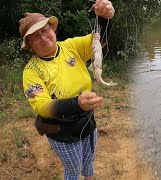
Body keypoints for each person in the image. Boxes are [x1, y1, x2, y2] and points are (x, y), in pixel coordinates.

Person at [20, 0, 114, 179]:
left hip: (88, 122)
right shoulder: (31, 72)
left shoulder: (71, 46)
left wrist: (104, 19)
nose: (43, 37)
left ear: (52, 29)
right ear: (29, 44)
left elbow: (98, 41)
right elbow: (43, 106)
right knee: (73, 169)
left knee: (89, 161)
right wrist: (77, 103)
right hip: (62, 131)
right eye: (35, 36)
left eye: (45, 30)